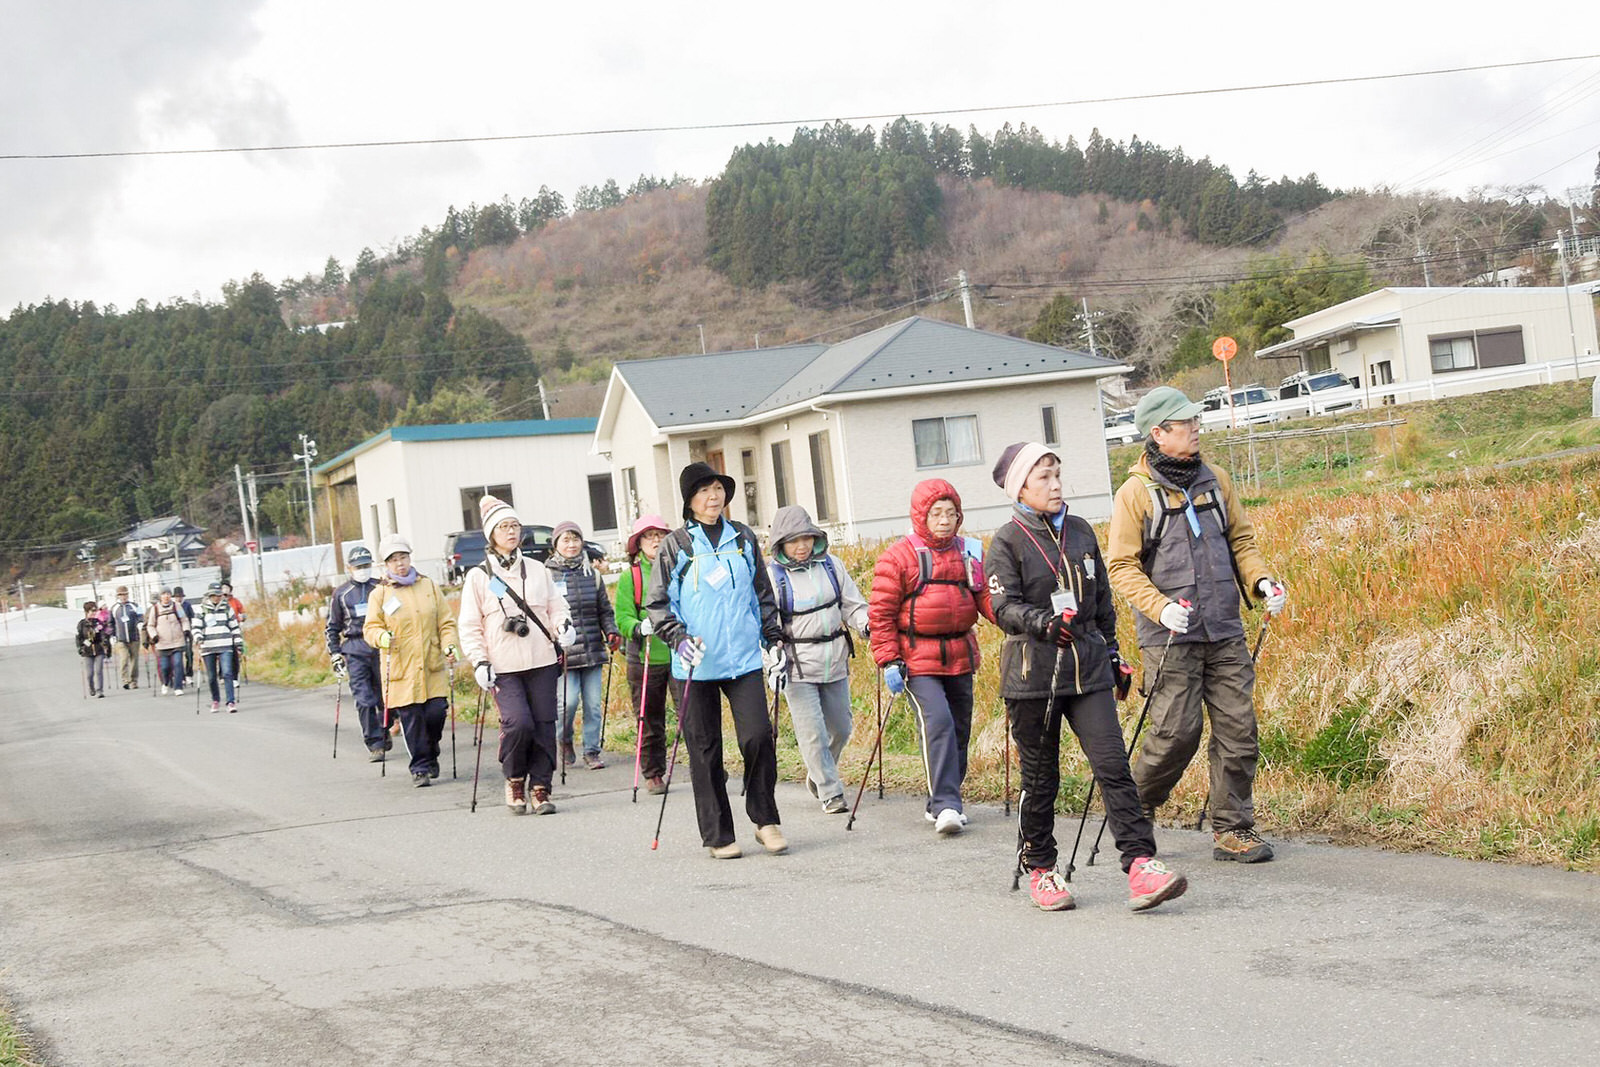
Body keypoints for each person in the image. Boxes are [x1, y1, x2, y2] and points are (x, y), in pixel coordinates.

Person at [986, 442, 1188, 912]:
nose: (1056, 485)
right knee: (1041, 780)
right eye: (1044, 479)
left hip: (1089, 670)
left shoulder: (1079, 532)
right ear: (1021, 488)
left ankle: (1140, 865)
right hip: (1032, 675)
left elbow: (1101, 606)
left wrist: (1114, 655)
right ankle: (1041, 867)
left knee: (1113, 767)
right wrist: (1043, 623)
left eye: (1058, 475)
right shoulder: (1007, 540)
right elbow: (1001, 607)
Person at [1106, 387, 1286, 864]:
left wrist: (1261, 580)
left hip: (1225, 625)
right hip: (1169, 636)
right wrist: (1159, 606)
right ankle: (1134, 809)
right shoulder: (1134, 493)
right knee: (1175, 733)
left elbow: (1241, 540)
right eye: (1184, 423)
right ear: (1158, 433)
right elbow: (1122, 565)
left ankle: (1233, 829)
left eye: (1194, 421)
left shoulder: (1217, 480)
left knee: (1239, 730)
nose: (1195, 428)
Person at [645, 461, 788, 859]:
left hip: (742, 658)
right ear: (690, 501)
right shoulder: (677, 545)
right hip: (694, 664)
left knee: (758, 736)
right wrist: (678, 639)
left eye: (718, 489)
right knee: (705, 749)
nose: (714, 497)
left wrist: (773, 640)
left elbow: (762, 593)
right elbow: (657, 604)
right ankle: (718, 835)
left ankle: (765, 820)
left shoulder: (742, 538)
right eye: (704, 491)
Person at [867, 479, 994, 835]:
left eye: (951, 514)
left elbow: (985, 598)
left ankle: (941, 797)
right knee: (937, 721)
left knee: (960, 728)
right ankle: (947, 806)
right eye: (936, 513)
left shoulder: (970, 552)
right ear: (921, 515)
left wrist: (1015, 619)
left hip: (960, 654)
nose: (944, 520)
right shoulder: (899, 556)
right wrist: (889, 659)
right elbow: (881, 614)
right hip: (917, 658)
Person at [457, 496, 570, 815]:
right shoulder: (479, 576)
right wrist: (479, 660)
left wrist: (564, 625)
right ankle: (515, 778)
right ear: (491, 533)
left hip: (542, 660)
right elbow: (469, 624)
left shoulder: (537, 570)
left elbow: (556, 605)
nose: (511, 531)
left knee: (545, 725)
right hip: (503, 664)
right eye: (504, 526)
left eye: (515, 525)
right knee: (518, 723)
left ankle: (541, 789)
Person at [766, 505, 870, 814]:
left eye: (806, 538)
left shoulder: (832, 566)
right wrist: (771, 661)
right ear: (781, 544)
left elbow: (853, 605)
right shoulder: (773, 578)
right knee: (813, 732)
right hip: (795, 665)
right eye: (793, 540)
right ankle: (830, 791)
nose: (801, 546)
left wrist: (867, 623)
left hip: (834, 658)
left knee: (841, 727)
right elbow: (766, 625)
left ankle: (817, 774)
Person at [363, 535, 460, 787]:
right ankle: (420, 767)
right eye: (394, 560)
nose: (400, 564)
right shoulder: (380, 594)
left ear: (410, 558)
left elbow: (446, 622)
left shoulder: (428, 586)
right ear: (386, 564)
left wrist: (450, 644)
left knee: (436, 713)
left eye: (403, 558)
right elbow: (370, 628)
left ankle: (431, 750)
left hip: (431, 665)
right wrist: (381, 637)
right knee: (412, 719)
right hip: (401, 668)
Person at [614, 514, 685, 796]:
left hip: (680, 654)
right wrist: (636, 627)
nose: (656, 540)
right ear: (638, 543)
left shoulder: (680, 569)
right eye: (649, 536)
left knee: (691, 715)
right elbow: (622, 617)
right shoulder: (630, 576)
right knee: (649, 719)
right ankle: (653, 773)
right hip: (645, 658)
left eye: (660, 534)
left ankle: (705, 765)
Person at [548, 520, 622, 770]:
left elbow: (605, 611)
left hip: (592, 649)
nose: (572, 545)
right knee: (567, 703)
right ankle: (564, 739)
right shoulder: (547, 575)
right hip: (564, 653)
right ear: (556, 545)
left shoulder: (593, 574)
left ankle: (591, 751)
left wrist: (611, 631)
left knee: (592, 704)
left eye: (576, 539)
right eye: (566, 540)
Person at [326, 546, 387, 759]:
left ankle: (386, 726)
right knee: (364, 699)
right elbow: (332, 627)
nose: (363, 570)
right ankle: (375, 743)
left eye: (366, 566)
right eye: (359, 567)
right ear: (349, 568)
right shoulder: (341, 594)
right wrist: (335, 654)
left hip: (382, 647)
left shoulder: (382, 587)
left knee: (385, 696)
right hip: (354, 649)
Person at [194, 582, 243, 712]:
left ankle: (230, 702)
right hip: (208, 646)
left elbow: (234, 627)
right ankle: (215, 700)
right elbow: (196, 627)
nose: (217, 598)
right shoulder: (201, 609)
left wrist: (238, 644)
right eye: (214, 595)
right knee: (211, 676)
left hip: (225, 644)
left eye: (219, 595)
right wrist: (198, 638)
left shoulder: (227, 608)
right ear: (209, 595)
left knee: (227, 673)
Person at [146, 588, 191, 695]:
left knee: (178, 663)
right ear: (160, 596)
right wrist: (154, 636)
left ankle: (178, 687)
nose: (166, 596)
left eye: (168, 594)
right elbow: (150, 625)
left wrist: (186, 630)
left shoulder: (177, 606)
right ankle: (165, 683)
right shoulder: (155, 609)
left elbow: (184, 620)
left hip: (177, 641)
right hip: (162, 643)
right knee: (165, 667)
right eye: (164, 594)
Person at [107, 586, 143, 690]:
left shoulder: (135, 605)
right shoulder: (114, 608)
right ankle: (125, 680)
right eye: (121, 595)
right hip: (120, 639)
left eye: (125, 594)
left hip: (134, 637)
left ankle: (133, 680)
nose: (123, 597)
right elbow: (110, 623)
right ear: (118, 596)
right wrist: (112, 636)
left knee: (134, 660)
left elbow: (141, 615)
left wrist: (140, 623)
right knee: (124, 658)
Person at [75, 600, 112, 698]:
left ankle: (100, 690)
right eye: (92, 611)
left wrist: (105, 642)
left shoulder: (98, 623)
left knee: (99, 670)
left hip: (98, 649)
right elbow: (79, 637)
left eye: (95, 612)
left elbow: (104, 633)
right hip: (87, 651)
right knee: (89, 674)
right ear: (86, 612)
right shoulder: (82, 624)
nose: (94, 614)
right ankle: (91, 687)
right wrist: (80, 648)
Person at [172, 586, 197, 681]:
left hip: (187, 632)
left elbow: (192, 617)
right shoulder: (172, 606)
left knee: (189, 654)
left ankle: (189, 674)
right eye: (177, 596)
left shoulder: (187, 605)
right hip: (176, 634)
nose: (179, 598)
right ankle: (180, 675)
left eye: (180, 596)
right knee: (178, 656)